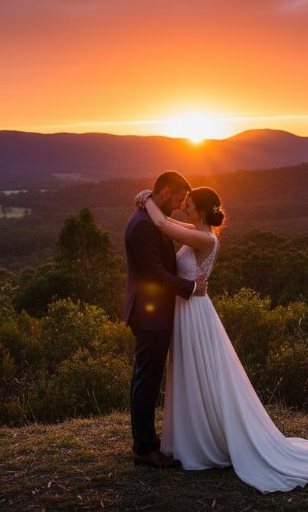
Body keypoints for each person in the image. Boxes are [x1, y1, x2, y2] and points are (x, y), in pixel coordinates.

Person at [136, 186, 308, 493]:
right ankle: (193, 436)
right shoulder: (196, 230)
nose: (183, 205)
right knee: (191, 373)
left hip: (195, 312)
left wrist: (146, 199)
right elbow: (170, 225)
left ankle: (206, 440)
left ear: (199, 208)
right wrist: (151, 204)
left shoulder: (205, 237)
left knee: (201, 373)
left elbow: (161, 225)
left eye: (188, 202)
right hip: (187, 309)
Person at [124, 171, 208, 468]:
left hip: (157, 312)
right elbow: (155, 275)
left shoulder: (152, 218)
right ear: (167, 191)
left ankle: (146, 443)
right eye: (179, 198)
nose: (181, 204)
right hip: (150, 315)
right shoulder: (144, 226)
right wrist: (191, 287)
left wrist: (147, 198)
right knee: (146, 381)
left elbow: (167, 225)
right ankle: (145, 449)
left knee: (146, 378)